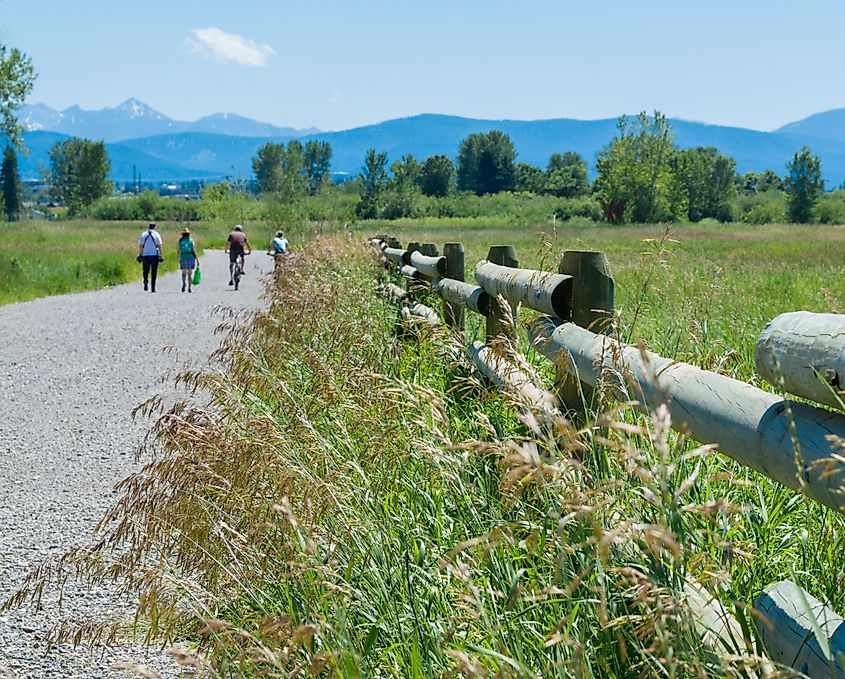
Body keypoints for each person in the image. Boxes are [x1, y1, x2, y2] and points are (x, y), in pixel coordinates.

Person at [137, 222, 163, 293]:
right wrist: (161, 255)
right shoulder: (157, 235)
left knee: (145, 270)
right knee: (154, 272)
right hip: (154, 255)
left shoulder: (143, 234)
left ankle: (145, 280)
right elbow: (160, 246)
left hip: (145, 255)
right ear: (154, 227)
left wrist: (140, 254)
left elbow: (141, 246)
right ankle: (153, 288)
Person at [178, 228, 200, 293]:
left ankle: (184, 283)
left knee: (183, 273)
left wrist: (179, 258)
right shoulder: (191, 240)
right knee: (189, 274)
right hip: (190, 257)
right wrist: (197, 259)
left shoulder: (180, 240)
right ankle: (189, 287)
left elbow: (178, 250)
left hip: (183, 256)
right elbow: (194, 250)